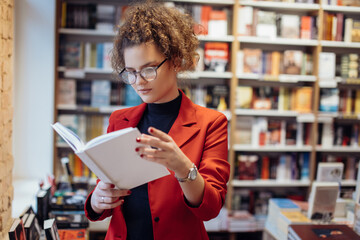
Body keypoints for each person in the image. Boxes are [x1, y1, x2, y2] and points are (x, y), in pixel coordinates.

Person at [84, 2, 230, 239]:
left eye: (149, 69)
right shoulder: (119, 120)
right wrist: (98, 200)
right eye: (130, 72)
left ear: (175, 61)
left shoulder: (211, 123)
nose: (139, 81)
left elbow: (211, 208)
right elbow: (105, 191)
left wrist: (183, 167)